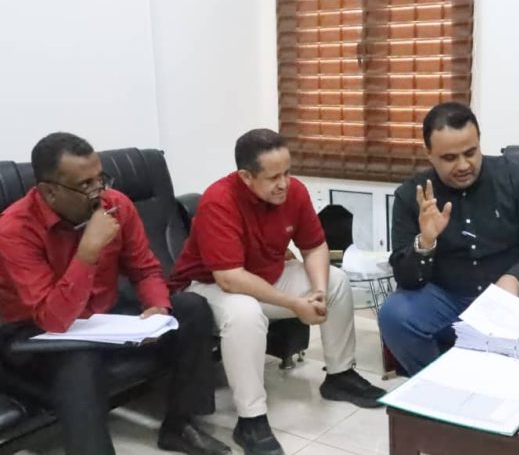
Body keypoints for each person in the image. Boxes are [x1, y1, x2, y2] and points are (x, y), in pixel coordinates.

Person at [0, 133, 228, 455]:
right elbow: (53, 318)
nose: (99, 191)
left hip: (100, 317)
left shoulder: (116, 205)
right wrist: (87, 252)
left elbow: (145, 269)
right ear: (49, 191)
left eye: (100, 178)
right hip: (35, 334)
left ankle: (180, 425)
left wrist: (158, 309)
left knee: (191, 308)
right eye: (85, 185)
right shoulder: (14, 231)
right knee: (79, 360)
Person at [169, 128, 386, 455]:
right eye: (273, 177)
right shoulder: (219, 201)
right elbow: (229, 278)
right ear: (246, 177)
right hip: (205, 287)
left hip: (262, 275)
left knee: (336, 281)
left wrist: (317, 292)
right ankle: (251, 420)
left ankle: (340, 376)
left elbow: (314, 246)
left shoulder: (293, 192)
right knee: (245, 313)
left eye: (287, 172)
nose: (284, 183)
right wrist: (294, 304)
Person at [377, 102, 519, 376]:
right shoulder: (412, 196)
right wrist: (425, 243)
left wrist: (515, 278)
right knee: (395, 315)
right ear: (429, 154)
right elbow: (406, 278)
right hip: (448, 299)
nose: (464, 165)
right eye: (450, 158)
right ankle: (440, 385)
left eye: (471, 153)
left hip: (514, 295)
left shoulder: (516, 178)